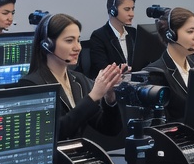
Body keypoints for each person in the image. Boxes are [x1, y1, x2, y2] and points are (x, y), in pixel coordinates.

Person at [20, 13, 126, 141]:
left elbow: (110, 129)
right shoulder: (31, 84)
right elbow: (54, 133)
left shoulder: (79, 80)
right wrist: (93, 97)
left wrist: (110, 98)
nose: (78, 47)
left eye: (78, 40)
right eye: (69, 41)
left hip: (75, 156)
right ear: (47, 44)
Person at [144, 6, 194, 122]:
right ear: (171, 35)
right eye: (190, 31)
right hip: (177, 138)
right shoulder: (155, 74)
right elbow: (158, 124)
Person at [88, 0, 137, 78]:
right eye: (127, 9)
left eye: (132, 9)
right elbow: (102, 68)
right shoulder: (99, 36)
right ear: (113, 11)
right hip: (111, 86)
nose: (132, 14)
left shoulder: (133, 33)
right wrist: (121, 70)